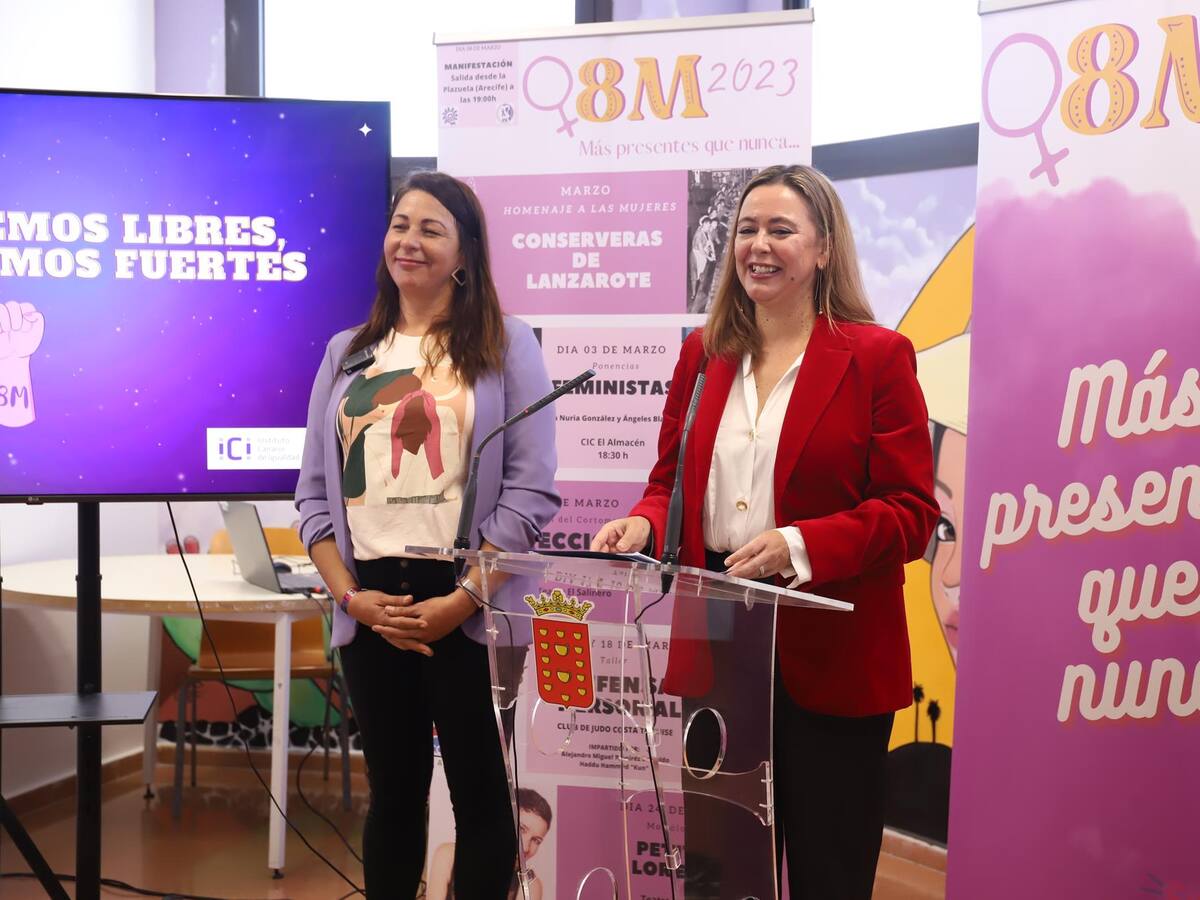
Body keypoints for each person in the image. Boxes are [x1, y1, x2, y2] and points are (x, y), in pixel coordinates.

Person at [591, 164, 938, 899]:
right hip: (717, 642)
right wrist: (642, 523)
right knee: (718, 872)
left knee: (829, 873)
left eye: (781, 229)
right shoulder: (703, 353)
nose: (759, 245)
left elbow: (912, 512)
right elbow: (669, 482)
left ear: (824, 248)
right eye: (747, 229)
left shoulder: (878, 357)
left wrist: (798, 543)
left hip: (833, 650)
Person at [296, 171, 560, 898]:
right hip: (371, 604)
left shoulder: (506, 345)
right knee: (392, 797)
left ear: (465, 254)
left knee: (482, 800)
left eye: (431, 229)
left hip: (470, 602)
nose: (408, 241)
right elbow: (314, 498)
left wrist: (463, 599)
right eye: (400, 225)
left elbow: (530, 491)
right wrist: (351, 600)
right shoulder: (347, 353)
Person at [426, 787, 554, 900]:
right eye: (521, 829)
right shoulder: (449, 856)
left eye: (536, 840)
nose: (525, 847)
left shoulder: (530, 885)